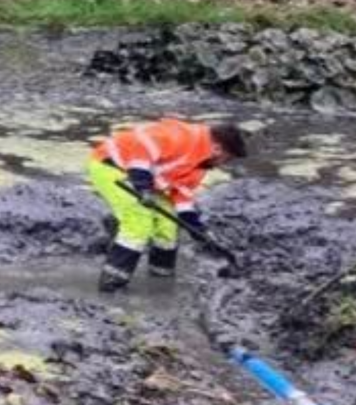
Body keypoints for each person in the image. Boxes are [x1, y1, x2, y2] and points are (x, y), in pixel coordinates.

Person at [88, 118, 248, 292]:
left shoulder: (201, 165)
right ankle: (112, 284)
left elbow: (182, 198)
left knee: (168, 227)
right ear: (218, 149)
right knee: (139, 220)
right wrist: (143, 189)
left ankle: (160, 280)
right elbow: (142, 149)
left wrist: (198, 231)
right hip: (112, 165)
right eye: (227, 158)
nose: (224, 164)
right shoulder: (182, 136)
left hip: (148, 182)